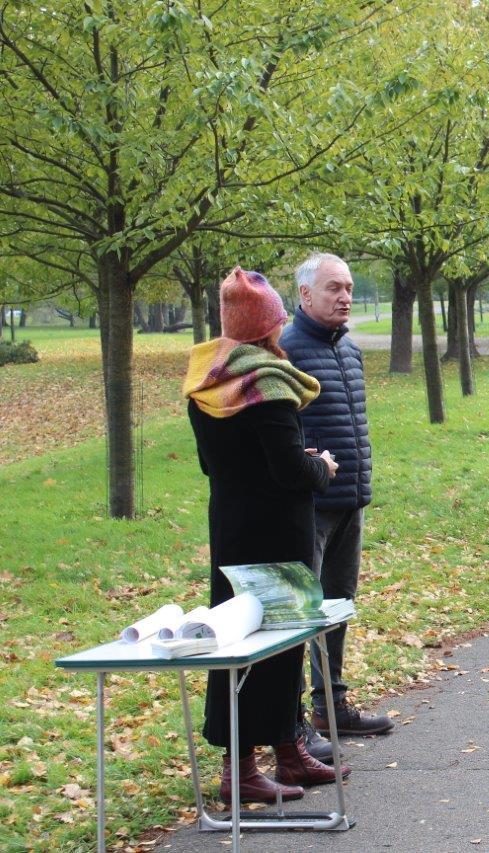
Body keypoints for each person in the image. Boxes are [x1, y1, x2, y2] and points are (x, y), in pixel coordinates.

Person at [183, 267, 349, 803]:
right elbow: (288, 474)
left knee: (241, 646)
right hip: (277, 537)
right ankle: (243, 770)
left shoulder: (208, 381)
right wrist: (320, 465)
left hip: (233, 530)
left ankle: (284, 752)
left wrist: (287, 460)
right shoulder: (269, 385)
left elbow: (218, 464)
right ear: (267, 327)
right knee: (274, 650)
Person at [280, 252, 392, 741]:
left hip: (350, 498)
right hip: (309, 505)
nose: (345, 296)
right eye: (333, 288)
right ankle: (293, 723)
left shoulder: (348, 348)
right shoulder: (287, 350)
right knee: (302, 614)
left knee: (338, 604)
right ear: (305, 294)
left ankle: (331, 704)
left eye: (348, 287)